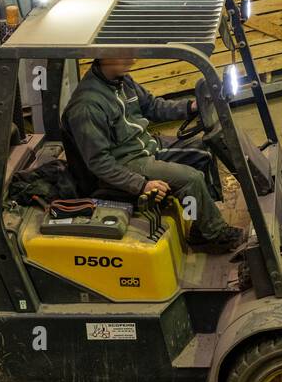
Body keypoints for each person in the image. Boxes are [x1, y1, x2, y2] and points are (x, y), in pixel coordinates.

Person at [62, 57, 247, 254]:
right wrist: (141, 184)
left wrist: (191, 106)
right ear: (105, 55)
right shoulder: (87, 105)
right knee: (190, 179)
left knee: (203, 150)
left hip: (144, 146)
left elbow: (152, 107)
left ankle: (201, 228)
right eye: (125, 52)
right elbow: (100, 163)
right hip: (126, 162)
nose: (132, 58)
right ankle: (216, 235)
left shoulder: (122, 80)